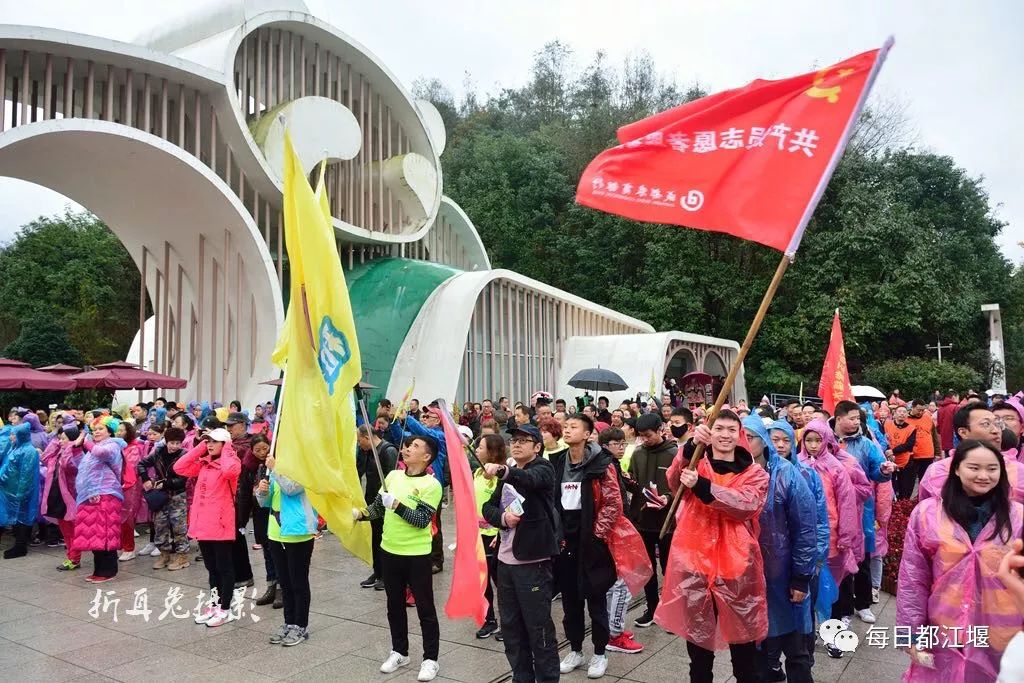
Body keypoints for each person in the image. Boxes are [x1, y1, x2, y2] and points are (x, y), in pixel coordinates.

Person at [658, 410, 770, 683]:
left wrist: (703, 486)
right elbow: (673, 482)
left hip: (736, 569)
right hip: (695, 564)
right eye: (719, 428)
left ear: (740, 435)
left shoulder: (755, 473)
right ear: (710, 432)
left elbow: (746, 504)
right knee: (698, 652)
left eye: (732, 429)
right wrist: (688, 448)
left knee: (744, 653)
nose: (725, 435)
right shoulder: (696, 463)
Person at [897, 439, 1022, 681]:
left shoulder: (1018, 517)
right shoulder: (927, 514)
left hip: (1000, 633)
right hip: (944, 628)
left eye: (992, 468)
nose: (983, 476)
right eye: (974, 467)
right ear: (956, 468)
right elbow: (913, 579)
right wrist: (908, 634)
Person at [355, 435, 442, 682]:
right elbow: (377, 508)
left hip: (417, 555)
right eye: (408, 445)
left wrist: (397, 505)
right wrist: (359, 514)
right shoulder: (392, 476)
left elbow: (421, 520)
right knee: (394, 605)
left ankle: (430, 659)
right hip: (389, 551)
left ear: (427, 456)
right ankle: (399, 651)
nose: (407, 448)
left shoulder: (431, 485)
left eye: (415, 446)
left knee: (425, 608)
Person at [481, 423, 561, 683]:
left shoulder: (543, 468)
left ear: (537, 447)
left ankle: (547, 678)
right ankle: (521, 677)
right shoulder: (510, 473)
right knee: (512, 629)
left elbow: (530, 480)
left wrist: (503, 470)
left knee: (539, 629)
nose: (516, 444)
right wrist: (503, 518)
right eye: (514, 440)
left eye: (523, 440)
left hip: (532, 563)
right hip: (505, 562)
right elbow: (488, 507)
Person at [743, 416, 816, 683]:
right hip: (749, 579)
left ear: (763, 441)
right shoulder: (733, 474)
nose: (742, 442)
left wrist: (801, 576)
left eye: (749, 437)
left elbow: (805, 527)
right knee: (758, 652)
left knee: (796, 649)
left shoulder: (786, 473)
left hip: (784, 576)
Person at [551, 413, 622, 679]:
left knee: (596, 599)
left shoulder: (602, 463)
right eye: (565, 426)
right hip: (565, 538)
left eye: (573, 427)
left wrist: (596, 535)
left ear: (588, 434)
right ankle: (575, 649)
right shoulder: (559, 461)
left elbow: (613, 502)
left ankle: (600, 652)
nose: (567, 430)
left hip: (591, 539)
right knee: (570, 600)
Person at [768, 419, 832, 668]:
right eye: (775, 440)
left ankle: (804, 660)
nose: (781, 445)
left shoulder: (807, 474)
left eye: (786, 440)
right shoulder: (760, 473)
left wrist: (816, 558)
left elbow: (820, 520)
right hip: (772, 561)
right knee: (772, 614)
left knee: (803, 613)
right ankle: (772, 663)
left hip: (804, 561)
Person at [831, 400, 894, 626]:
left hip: (861, 510)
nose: (857, 422)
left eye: (858, 419)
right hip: (833, 510)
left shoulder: (866, 444)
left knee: (863, 557)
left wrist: (884, 470)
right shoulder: (824, 441)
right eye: (852, 418)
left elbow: (878, 469)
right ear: (839, 418)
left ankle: (864, 604)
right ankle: (844, 609)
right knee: (840, 561)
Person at [174, 428, 241, 628]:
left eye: (214, 441)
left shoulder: (231, 462)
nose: (210, 444)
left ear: (225, 444)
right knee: (212, 568)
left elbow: (230, 472)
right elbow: (179, 467)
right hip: (203, 525)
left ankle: (225, 609)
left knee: (224, 568)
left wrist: (227, 448)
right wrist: (201, 447)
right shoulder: (204, 464)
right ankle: (215, 604)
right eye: (207, 441)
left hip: (220, 524)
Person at [622, 411, 679, 628]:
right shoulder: (638, 453)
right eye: (641, 436)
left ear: (660, 430)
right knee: (647, 569)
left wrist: (668, 497)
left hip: (667, 522)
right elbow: (635, 483)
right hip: (643, 520)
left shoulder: (674, 454)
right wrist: (628, 481)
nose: (645, 439)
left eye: (648, 435)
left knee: (669, 568)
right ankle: (652, 608)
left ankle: (672, 611)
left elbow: (682, 488)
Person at [255, 447, 317, 646]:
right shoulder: (277, 470)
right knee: (285, 581)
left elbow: (292, 488)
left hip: (298, 532)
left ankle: (301, 625)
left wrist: (275, 469)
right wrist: (261, 491)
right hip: (275, 532)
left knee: (298, 581)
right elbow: (265, 502)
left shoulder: (305, 468)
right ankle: (289, 622)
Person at [598, 427, 645, 655]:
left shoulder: (612, 464)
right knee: (621, 584)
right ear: (605, 445)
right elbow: (611, 503)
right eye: (617, 444)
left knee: (615, 583)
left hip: (616, 529)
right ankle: (614, 635)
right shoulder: (605, 465)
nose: (622, 448)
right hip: (614, 531)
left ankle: (612, 629)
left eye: (623, 444)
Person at [919, 402, 1024, 504]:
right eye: (986, 424)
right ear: (963, 432)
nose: (996, 430)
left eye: (997, 424)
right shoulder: (938, 471)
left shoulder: (1019, 471)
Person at [389, 404, 449, 574]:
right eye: (424, 415)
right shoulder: (421, 437)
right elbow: (402, 438)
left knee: (433, 523)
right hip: (413, 485)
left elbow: (425, 433)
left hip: (431, 487)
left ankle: (437, 559)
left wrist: (406, 418)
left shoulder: (439, 436)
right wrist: (395, 422)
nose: (424, 418)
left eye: (428, 416)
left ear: (438, 420)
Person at [72, 417, 125, 581]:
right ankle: (99, 570)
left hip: (106, 494)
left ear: (110, 431)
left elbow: (102, 454)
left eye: (101, 429)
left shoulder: (112, 445)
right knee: (95, 535)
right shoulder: (93, 448)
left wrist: (86, 442)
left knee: (105, 533)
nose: (96, 432)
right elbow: (79, 465)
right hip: (90, 495)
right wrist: (76, 448)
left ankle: (108, 571)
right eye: (94, 429)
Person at [137, 427, 190, 570]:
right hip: (160, 497)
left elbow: (184, 479)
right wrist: (145, 479)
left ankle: (182, 556)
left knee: (179, 528)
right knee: (160, 525)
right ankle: (164, 554)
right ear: (166, 442)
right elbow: (141, 464)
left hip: (178, 496)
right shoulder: (158, 453)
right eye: (172, 443)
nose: (174, 446)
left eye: (178, 443)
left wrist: (166, 483)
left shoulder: (185, 455)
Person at [357, 425, 400, 591]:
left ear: (367, 437)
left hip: (384, 504)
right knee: (375, 539)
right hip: (372, 501)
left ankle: (386, 575)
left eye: (359, 440)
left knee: (383, 539)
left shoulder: (388, 451)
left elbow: (392, 480)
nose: (359, 444)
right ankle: (378, 571)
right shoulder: (368, 452)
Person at [473, 434, 507, 639]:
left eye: (481, 447)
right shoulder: (477, 472)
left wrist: (499, 532)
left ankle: (508, 623)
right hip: (477, 536)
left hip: (495, 536)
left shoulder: (502, 476)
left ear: (493, 452)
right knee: (482, 581)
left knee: (500, 581)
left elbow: (507, 506)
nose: (477, 450)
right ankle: (489, 620)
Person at [42, 424, 85, 570]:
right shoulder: (59, 452)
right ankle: (70, 556)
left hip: (70, 499)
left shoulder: (77, 455)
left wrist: (71, 446)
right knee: (65, 531)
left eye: (63, 439)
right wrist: (57, 441)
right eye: (59, 439)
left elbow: (68, 466)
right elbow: (44, 457)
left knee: (72, 531)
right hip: (57, 496)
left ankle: (74, 559)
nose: (60, 441)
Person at [0, 422, 43, 559]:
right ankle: (18, 546)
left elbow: (26, 475)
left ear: (21, 435)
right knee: (16, 519)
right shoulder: (16, 448)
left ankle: (20, 547)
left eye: (13, 434)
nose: (11, 437)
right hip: (11, 492)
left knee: (22, 519)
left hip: (21, 493)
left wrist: (21, 493)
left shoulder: (29, 451)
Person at [226, 412, 256, 589]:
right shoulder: (230, 444)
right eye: (227, 426)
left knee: (237, 535)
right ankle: (235, 573)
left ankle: (245, 575)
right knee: (231, 537)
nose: (229, 428)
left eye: (232, 425)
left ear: (243, 425)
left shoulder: (248, 444)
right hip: (229, 496)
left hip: (242, 496)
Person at [116, 422, 145, 561]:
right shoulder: (117, 446)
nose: (119, 432)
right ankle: (123, 546)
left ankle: (129, 548)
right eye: (118, 430)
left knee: (127, 517)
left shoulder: (134, 448)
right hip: (117, 485)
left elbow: (131, 466)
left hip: (129, 486)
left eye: (122, 430)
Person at [884, 405, 919, 499]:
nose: (902, 414)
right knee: (890, 486)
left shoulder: (911, 428)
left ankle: (903, 504)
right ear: (894, 414)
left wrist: (893, 451)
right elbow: (883, 440)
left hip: (905, 460)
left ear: (907, 415)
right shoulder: (887, 425)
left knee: (905, 487)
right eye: (899, 411)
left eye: (904, 412)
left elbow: (909, 445)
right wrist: (888, 452)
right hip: (889, 459)